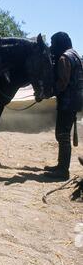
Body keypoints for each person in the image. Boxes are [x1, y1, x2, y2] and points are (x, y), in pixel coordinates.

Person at [44, 32, 83, 180]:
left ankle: (63, 171)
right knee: (64, 134)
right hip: (75, 100)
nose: (52, 46)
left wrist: (49, 92)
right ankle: (61, 166)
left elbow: (62, 83)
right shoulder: (75, 55)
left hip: (67, 102)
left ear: (60, 42)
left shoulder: (64, 58)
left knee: (62, 135)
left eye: (54, 43)